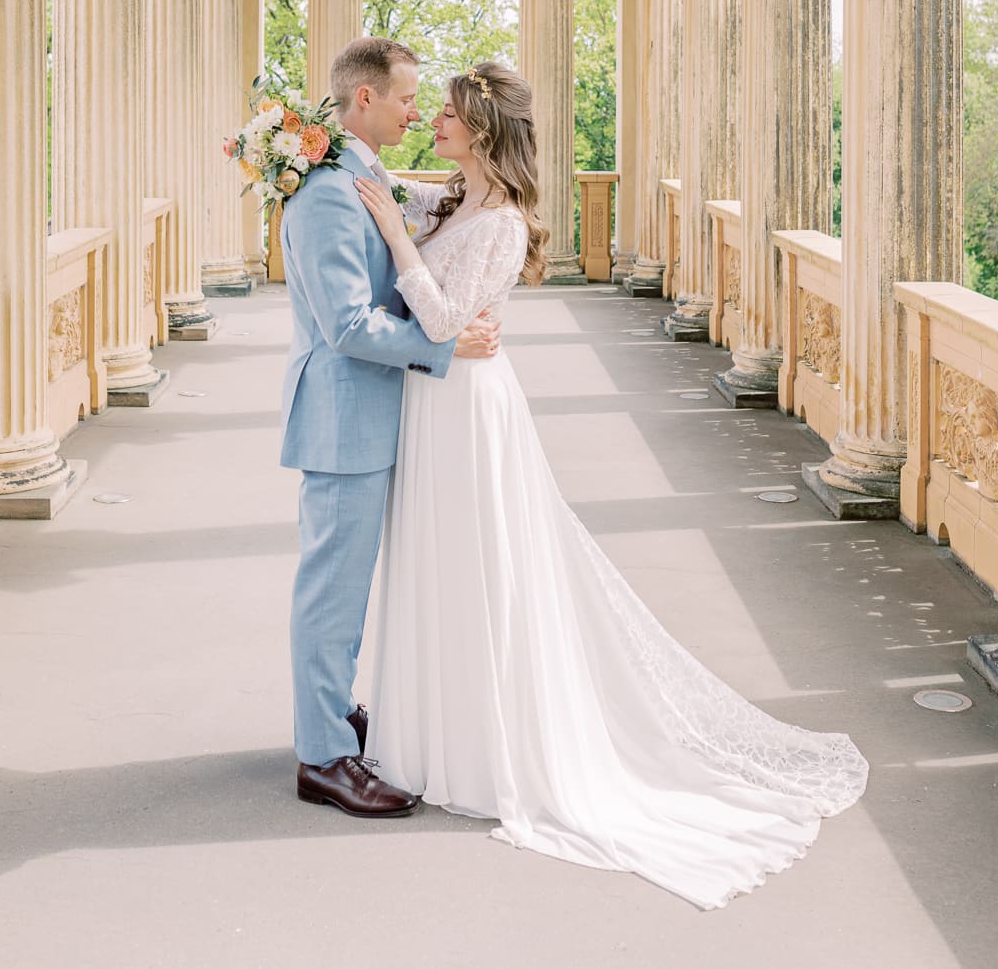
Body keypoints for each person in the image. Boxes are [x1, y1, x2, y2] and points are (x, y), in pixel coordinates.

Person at [354, 60, 869, 910]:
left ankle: (484, 744)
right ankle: (432, 737)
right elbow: (397, 211)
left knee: (483, 570)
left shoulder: (504, 223)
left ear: (481, 128)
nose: (435, 122)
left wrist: (398, 235)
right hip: (432, 405)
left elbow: (444, 322)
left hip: (468, 410)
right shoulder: (458, 198)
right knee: (437, 565)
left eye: (446, 113)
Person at [280, 36, 500, 819]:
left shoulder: (364, 175)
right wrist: (441, 344)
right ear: (364, 99)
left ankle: (330, 711)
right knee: (332, 592)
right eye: (409, 98)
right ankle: (324, 756)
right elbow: (346, 325)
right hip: (345, 417)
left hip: (377, 414)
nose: (419, 111)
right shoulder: (328, 194)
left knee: (350, 585)